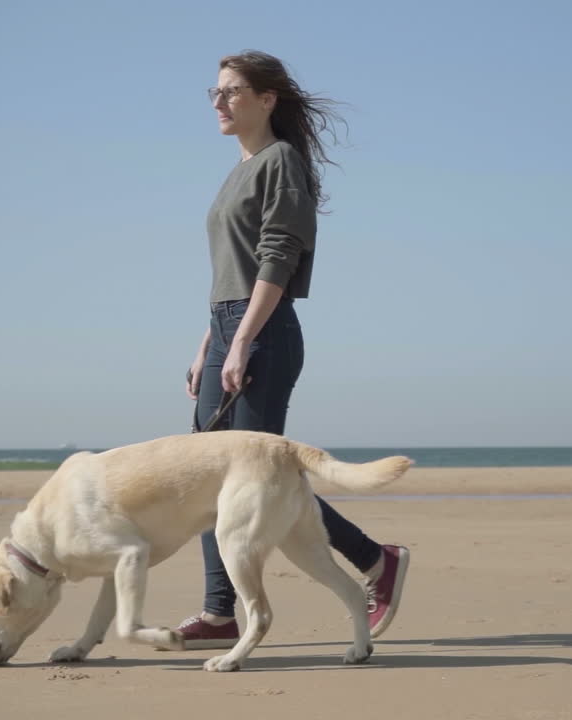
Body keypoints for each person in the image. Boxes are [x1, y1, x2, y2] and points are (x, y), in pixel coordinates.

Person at [178, 50, 409, 649]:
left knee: (257, 483)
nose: (219, 101)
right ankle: (219, 611)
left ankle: (375, 561)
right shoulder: (241, 168)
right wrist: (210, 343)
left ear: (266, 99)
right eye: (215, 91)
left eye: (232, 91)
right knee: (211, 478)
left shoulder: (281, 162)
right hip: (230, 325)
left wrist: (244, 340)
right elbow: (232, 272)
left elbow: (276, 260)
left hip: (265, 330)